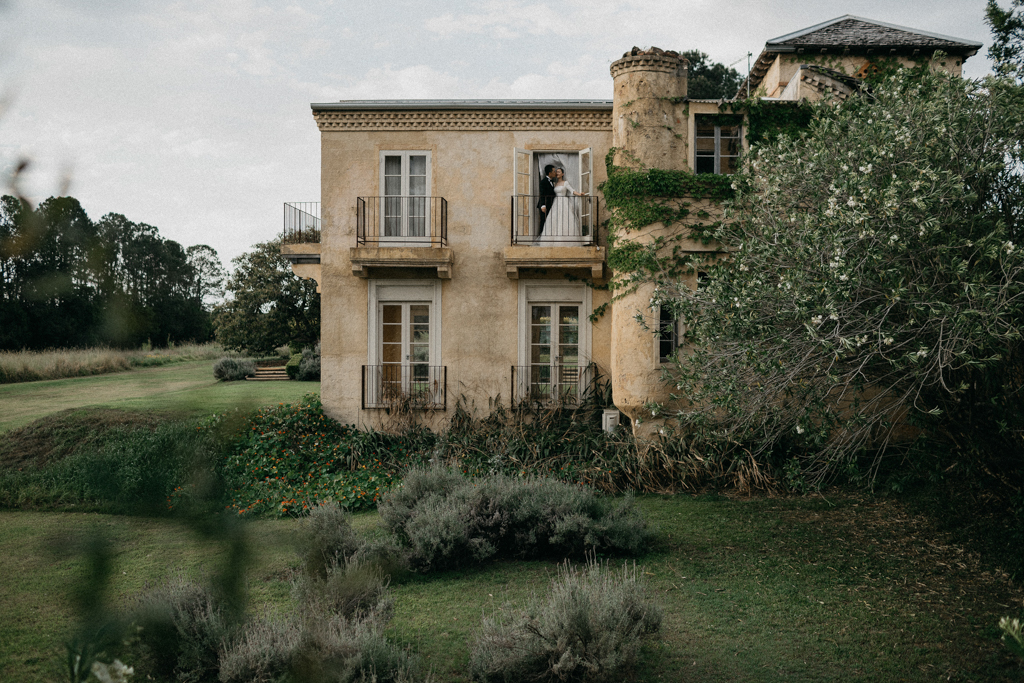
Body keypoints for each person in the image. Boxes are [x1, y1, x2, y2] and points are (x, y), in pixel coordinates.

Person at [539, 167, 586, 243]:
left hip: (564, 202)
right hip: (555, 203)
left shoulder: (565, 183)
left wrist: (579, 194)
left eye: (559, 172)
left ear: (563, 174)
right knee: (555, 220)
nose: (557, 173)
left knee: (564, 220)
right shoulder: (554, 183)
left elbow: (572, 190)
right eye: (556, 172)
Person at [536, 164, 558, 237]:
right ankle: (542, 237)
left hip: (551, 204)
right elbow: (542, 194)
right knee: (543, 221)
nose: (555, 173)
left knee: (549, 221)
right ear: (550, 173)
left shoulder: (552, 181)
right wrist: (543, 205)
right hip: (545, 205)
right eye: (554, 171)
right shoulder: (543, 182)